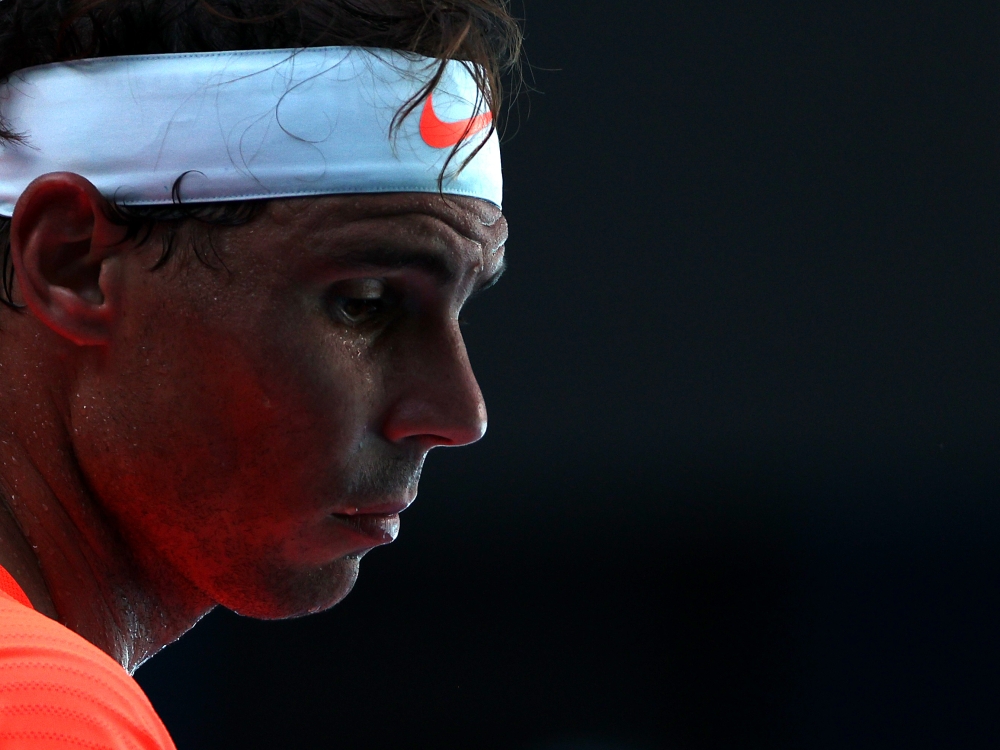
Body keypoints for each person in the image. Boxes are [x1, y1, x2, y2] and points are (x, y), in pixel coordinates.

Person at [0, 0, 521, 746]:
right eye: (364, 305)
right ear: (73, 264)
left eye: (460, 309)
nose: (459, 413)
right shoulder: (42, 709)